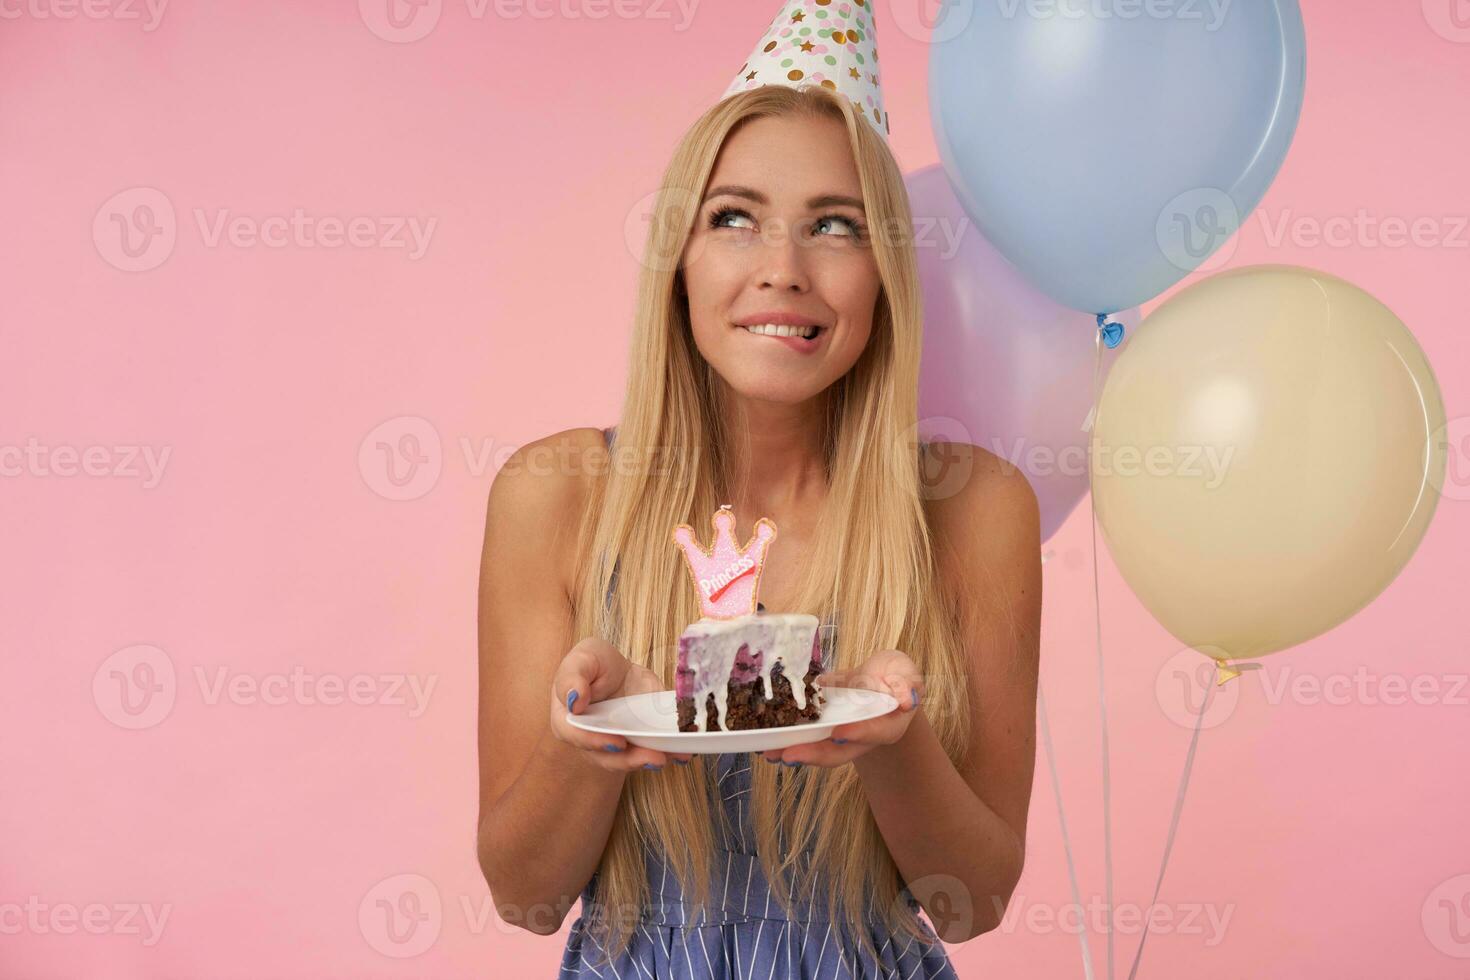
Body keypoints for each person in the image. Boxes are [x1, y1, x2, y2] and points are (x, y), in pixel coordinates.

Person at [476, 3, 1041, 976]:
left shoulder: (976, 507)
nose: (782, 270)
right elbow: (524, 897)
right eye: (734, 219)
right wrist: (579, 746)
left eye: (835, 226)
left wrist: (892, 742)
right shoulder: (553, 492)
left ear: (885, 275)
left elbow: (975, 901)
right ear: (679, 263)